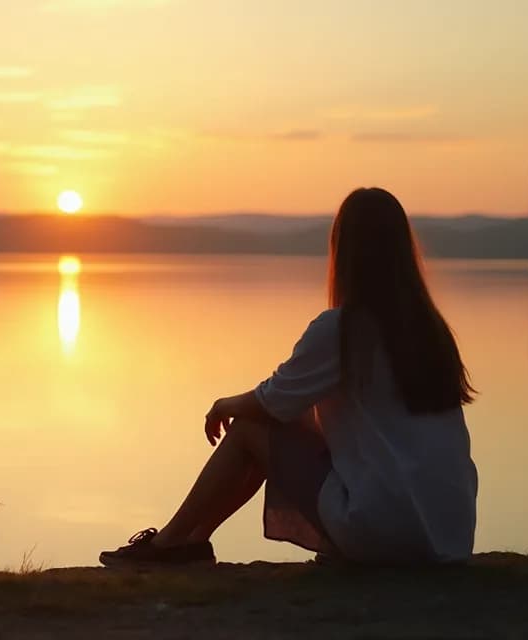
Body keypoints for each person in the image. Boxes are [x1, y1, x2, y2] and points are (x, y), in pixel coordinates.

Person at [99, 187, 479, 567]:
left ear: (343, 251)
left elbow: (271, 400)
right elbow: (294, 409)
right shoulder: (430, 331)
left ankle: (169, 544)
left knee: (249, 424)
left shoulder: (342, 329)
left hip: (384, 533)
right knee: (274, 423)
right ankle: (191, 542)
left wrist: (224, 405)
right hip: (448, 538)